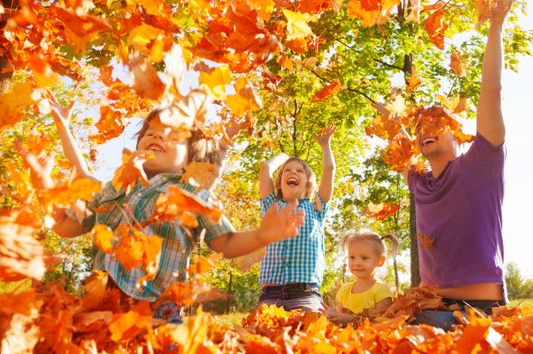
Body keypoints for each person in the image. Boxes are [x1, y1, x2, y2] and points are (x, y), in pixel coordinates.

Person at [18, 102, 305, 324]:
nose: (156, 135)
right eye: (150, 132)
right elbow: (68, 227)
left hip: (161, 309)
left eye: (172, 136)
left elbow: (226, 243)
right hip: (101, 302)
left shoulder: (193, 195)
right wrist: (44, 188)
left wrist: (263, 235)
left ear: (190, 159)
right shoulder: (115, 187)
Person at [375, 0, 525, 330]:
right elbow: (393, 132)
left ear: (456, 131)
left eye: (436, 122)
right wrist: (391, 112)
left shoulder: (481, 164)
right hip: (431, 307)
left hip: (478, 309)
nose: (425, 128)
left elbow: (491, 90)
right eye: (420, 126)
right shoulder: (418, 182)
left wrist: (496, 25)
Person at [257, 125, 336, 312]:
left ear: (308, 184)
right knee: (260, 339)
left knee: (309, 338)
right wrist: (284, 157)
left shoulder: (316, 207)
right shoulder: (270, 206)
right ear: (280, 182)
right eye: (287, 170)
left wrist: (326, 145)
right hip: (270, 295)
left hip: (305, 295)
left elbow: (330, 169)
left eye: (299, 171)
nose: (293, 173)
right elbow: (266, 167)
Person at [327, 230, 398, 325]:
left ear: (379, 261)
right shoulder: (345, 290)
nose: (357, 263)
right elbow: (340, 318)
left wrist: (352, 320)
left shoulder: (381, 291)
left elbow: (382, 324)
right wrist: (333, 315)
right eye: (352, 257)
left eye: (364, 258)